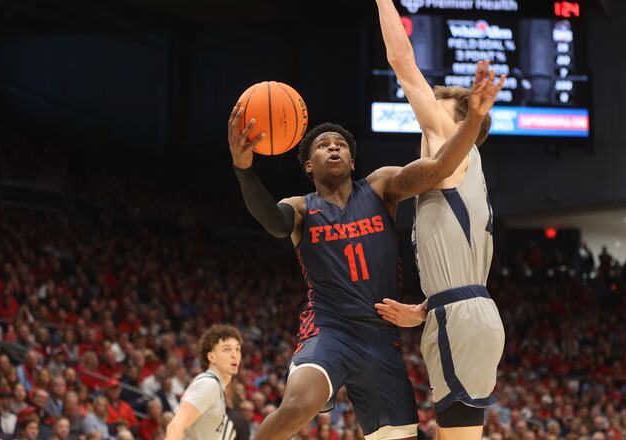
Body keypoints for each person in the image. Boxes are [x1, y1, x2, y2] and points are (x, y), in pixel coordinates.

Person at [229, 49, 500, 440]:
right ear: (308, 165)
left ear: (353, 161)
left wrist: (472, 121)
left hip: (380, 341)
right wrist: (244, 170)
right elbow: (272, 222)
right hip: (329, 330)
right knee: (299, 404)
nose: (333, 148)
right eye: (323, 145)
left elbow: (440, 169)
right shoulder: (302, 209)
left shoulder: (381, 188)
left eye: (340, 144)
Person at [371, 1, 506, 439]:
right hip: (458, 310)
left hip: (462, 316)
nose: (424, 120)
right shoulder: (461, 175)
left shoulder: (455, 147)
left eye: (434, 112)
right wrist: (427, 307)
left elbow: (402, 62)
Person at [165, 324, 242, 440]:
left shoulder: (217, 388)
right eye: (227, 349)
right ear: (212, 357)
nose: (234, 355)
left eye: (237, 349)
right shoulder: (209, 384)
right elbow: (175, 427)